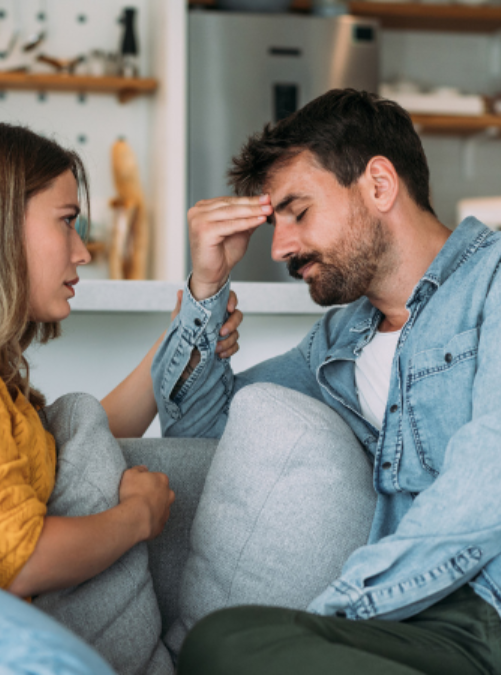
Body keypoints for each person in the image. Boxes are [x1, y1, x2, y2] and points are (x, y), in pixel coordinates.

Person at [153, 89, 501, 674]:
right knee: (222, 640)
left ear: (380, 185)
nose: (282, 247)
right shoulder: (341, 339)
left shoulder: (492, 282)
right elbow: (201, 430)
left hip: (482, 609)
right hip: (416, 625)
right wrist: (206, 287)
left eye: (299, 211)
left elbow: (489, 477)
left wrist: (340, 610)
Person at [0, 115, 243, 670]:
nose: (82, 251)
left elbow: (83, 443)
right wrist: (137, 518)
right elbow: (17, 559)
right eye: (67, 222)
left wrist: (189, 328)